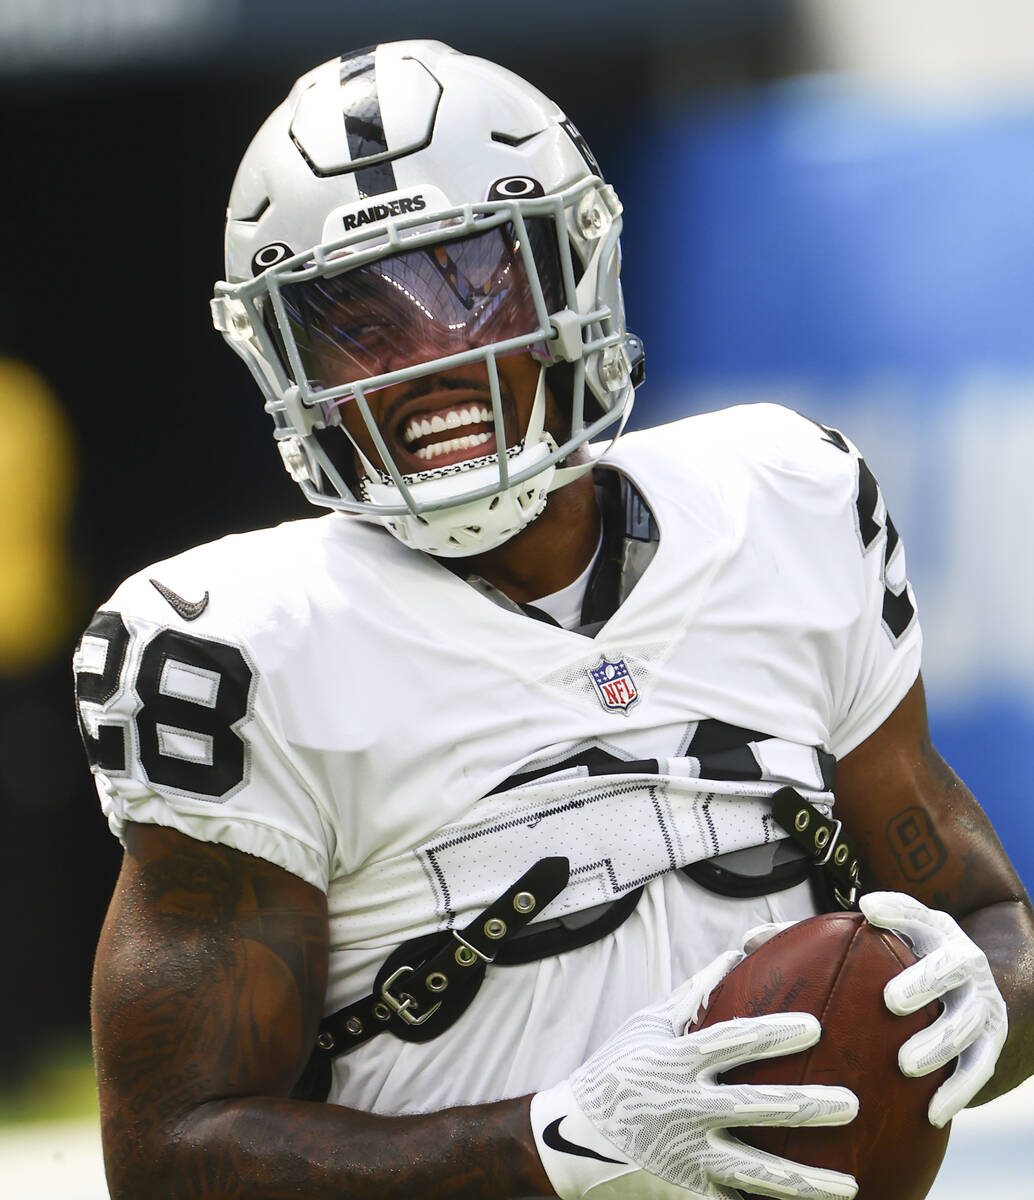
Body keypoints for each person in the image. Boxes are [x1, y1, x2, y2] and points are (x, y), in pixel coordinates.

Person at [75, 40, 1032, 1200]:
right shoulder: (235, 647)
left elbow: (980, 917)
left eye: (470, 283)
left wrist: (981, 997)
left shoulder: (786, 500)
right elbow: (170, 1158)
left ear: (575, 273)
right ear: (278, 356)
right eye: (353, 322)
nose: (424, 359)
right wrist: (560, 1140)